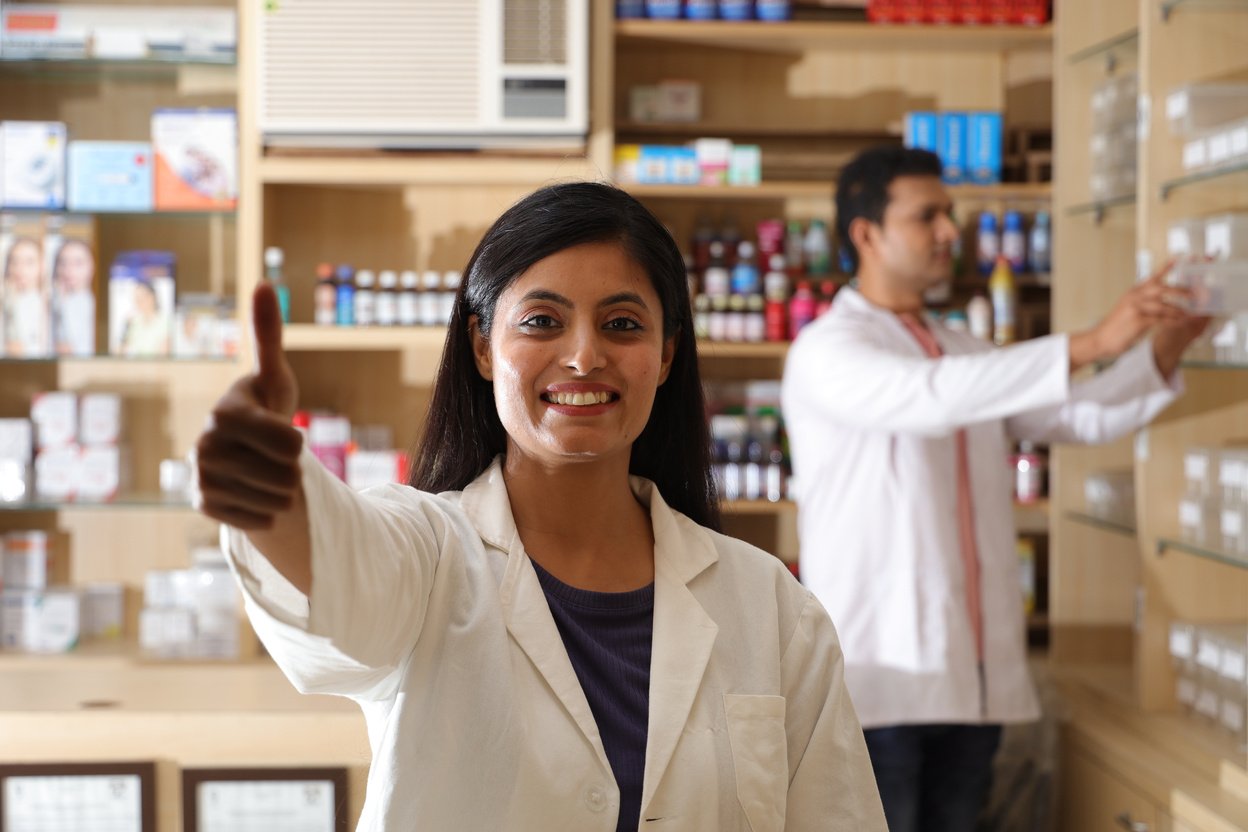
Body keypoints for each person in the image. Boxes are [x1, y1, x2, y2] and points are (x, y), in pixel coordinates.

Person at [194, 182, 887, 831]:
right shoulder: (432, 555)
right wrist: (274, 493)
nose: (584, 356)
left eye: (621, 323)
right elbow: (345, 577)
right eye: (541, 321)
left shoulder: (772, 608)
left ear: (668, 353)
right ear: (482, 346)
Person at [780, 145, 1209, 832]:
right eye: (929, 217)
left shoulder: (961, 349)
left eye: (949, 215)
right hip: (881, 686)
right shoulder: (828, 351)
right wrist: (1093, 341)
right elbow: (930, 397)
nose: (951, 232)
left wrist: (1165, 346)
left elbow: (1079, 416)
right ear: (867, 234)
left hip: (974, 687)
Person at [3, 236, 50, 357]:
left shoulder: (48, 305)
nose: (20, 269)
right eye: (14, 262)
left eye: (29, 262)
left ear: (42, 266)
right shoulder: (5, 302)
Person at [52, 238, 96, 356]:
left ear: (92, 267)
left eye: (78, 263)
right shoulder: (50, 304)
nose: (68, 270)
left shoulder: (96, 307)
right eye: (63, 263)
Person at [119, 279, 171, 356]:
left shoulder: (165, 321)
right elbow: (120, 351)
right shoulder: (134, 322)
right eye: (136, 298)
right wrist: (126, 327)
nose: (138, 302)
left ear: (152, 297)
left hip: (156, 366)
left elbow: (164, 353)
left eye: (141, 297)